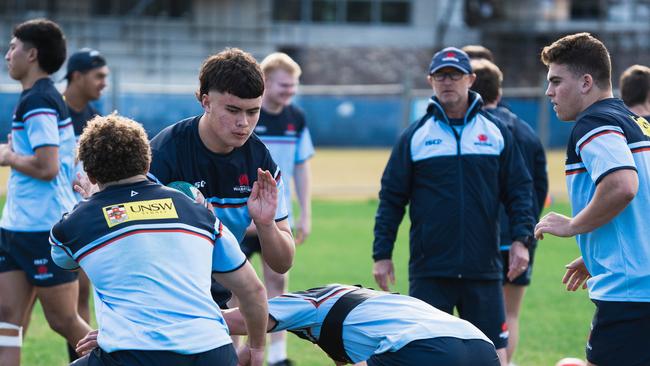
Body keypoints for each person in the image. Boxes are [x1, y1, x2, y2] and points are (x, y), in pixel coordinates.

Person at [51, 114, 268, 366]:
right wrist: (256, 349)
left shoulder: (76, 223)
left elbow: (65, 261)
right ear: (147, 163)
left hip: (133, 355)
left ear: (89, 172)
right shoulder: (199, 213)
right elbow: (253, 291)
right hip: (212, 352)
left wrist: (92, 201)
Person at [372, 47, 535, 366]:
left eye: (455, 75)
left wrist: (521, 240)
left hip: (483, 269)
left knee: (494, 357)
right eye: (440, 76)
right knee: (426, 356)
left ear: (470, 79)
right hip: (430, 270)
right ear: (430, 81)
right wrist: (382, 254)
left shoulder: (496, 133)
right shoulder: (415, 136)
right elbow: (391, 198)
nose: (448, 82)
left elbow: (520, 190)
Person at [146, 48, 295, 308]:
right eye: (233, 110)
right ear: (205, 101)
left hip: (219, 290)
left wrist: (266, 225)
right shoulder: (163, 155)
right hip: (163, 290)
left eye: (253, 111)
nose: (244, 123)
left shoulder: (260, 162)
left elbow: (283, 263)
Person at [536, 32, 650, 366]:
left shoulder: (594, 122)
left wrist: (574, 225)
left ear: (586, 82)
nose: (549, 92)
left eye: (557, 81)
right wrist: (596, 249)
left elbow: (622, 186)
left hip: (631, 297)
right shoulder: (637, 123)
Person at [76, 283, 500, 366]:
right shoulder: (386, 306)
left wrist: (128, 335)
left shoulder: (320, 299)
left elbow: (239, 320)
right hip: (479, 347)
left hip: (420, 349)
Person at [0, 18, 92, 366]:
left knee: (63, 320)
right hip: (15, 229)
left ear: (32, 54)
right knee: (7, 319)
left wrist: (8, 156)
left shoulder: (38, 101)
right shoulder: (33, 97)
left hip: (43, 230)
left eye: (13, 47)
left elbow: (47, 166)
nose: (8, 54)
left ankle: (118, 359)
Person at [470, 58, 548, 365]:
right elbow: (539, 187)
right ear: (499, 94)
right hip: (519, 234)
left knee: (475, 315)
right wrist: (526, 228)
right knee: (509, 313)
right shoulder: (526, 131)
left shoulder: (472, 129)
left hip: (480, 237)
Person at [239, 51, 315, 366]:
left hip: (277, 217)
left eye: (293, 86)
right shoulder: (246, 116)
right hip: (241, 216)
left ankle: (278, 357)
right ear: (266, 82)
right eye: (284, 85)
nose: (289, 92)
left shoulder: (296, 118)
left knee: (278, 285)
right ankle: (234, 354)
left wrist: (305, 213)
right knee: (235, 289)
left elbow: (301, 167)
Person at [62, 47, 109, 362]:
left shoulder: (94, 119)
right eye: (98, 76)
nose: (104, 83)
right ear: (76, 76)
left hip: (82, 216)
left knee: (78, 301)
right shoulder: (52, 111)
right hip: (48, 220)